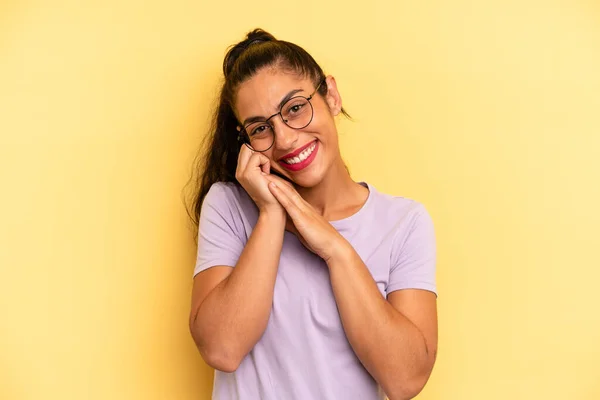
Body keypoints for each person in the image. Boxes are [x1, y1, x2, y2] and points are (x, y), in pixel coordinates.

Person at [187, 28, 438, 400]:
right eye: (260, 128)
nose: (285, 139)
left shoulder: (404, 223)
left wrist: (334, 247)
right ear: (246, 141)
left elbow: (405, 379)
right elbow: (223, 349)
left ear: (331, 96)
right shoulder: (229, 206)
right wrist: (272, 212)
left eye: (295, 108)